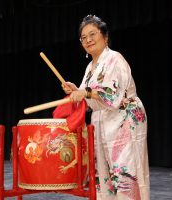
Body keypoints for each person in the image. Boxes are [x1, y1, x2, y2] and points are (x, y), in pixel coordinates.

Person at [62, 15, 150, 200]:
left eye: (92, 34)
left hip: (124, 120)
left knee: (125, 172)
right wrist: (76, 91)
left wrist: (84, 92)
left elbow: (113, 94)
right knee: (104, 174)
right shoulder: (90, 68)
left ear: (105, 36)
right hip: (102, 122)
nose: (88, 40)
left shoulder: (114, 59)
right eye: (83, 38)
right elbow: (88, 99)